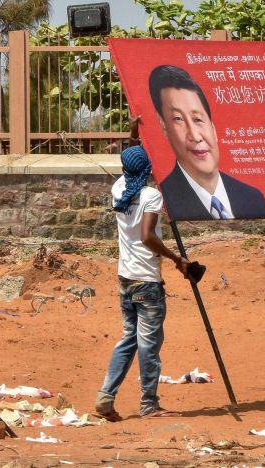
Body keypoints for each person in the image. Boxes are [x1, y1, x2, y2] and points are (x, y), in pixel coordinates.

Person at [94, 137, 191, 420]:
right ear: (147, 167)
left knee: (129, 338)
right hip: (147, 280)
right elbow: (147, 236)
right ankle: (149, 404)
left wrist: (135, 133)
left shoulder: (118, 189)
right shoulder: (151, 195)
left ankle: (106, 396)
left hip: (125, 278)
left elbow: (131, 158)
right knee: (149, 343)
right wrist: (176, 259)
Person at [148, 64, 265, 220]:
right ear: (163, 125)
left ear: (213, 128)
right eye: (178, 119)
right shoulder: (163, 200)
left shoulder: (253, 198)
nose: (195, 136)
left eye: (198, 119)